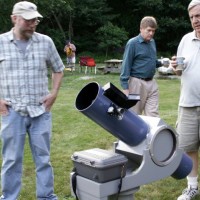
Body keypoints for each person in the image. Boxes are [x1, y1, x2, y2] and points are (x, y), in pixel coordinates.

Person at [0, 1, 64, 199]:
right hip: (12, 112)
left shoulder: (45, 42)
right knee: (11, 161)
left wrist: (53, 93)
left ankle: (46, 196)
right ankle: (9, 197)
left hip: (40, 111)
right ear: (14, 18)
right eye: (28, 20)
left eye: (35, 19)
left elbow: (58, 68)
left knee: (43, 159)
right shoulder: (0, 42)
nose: (33, 23)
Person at [170, 0, 200, 199]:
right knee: (188, 148)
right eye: (192, 17)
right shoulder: (185, 40)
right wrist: (175, 67)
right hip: (188, 104)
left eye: (198, 16)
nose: (195, 20)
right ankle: (192, 187)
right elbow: (180, 71)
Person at [120, 16, 163, 117]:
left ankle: (151, 133)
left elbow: (152, 61)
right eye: (149, 30)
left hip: (152, 83)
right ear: (141, 29)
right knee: (134, 117)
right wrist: (125, 88)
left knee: (153, 116)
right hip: (136, 83)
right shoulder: (132, 43)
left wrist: (163, 62)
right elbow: (126, 65)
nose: (151, 33)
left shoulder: (152, 42)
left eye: (153, 31)